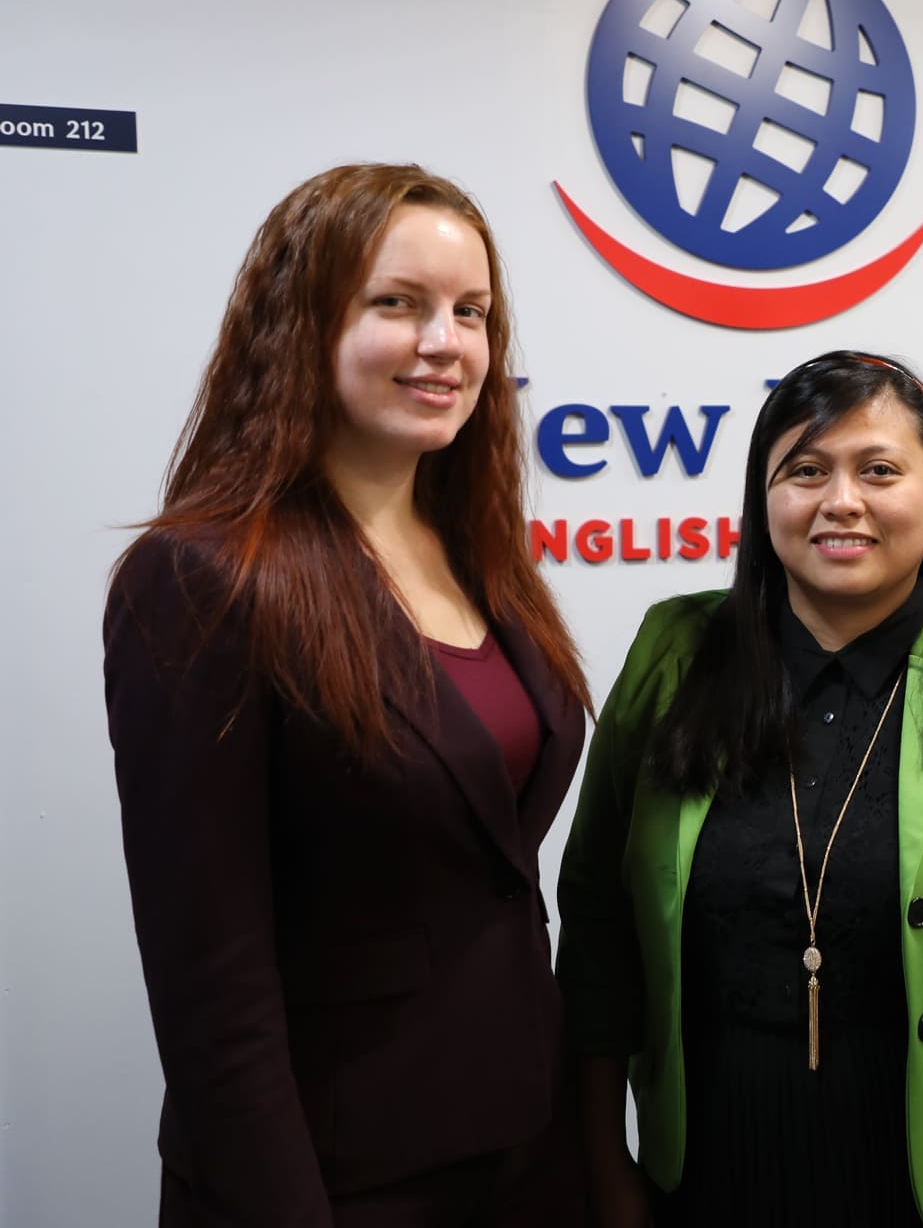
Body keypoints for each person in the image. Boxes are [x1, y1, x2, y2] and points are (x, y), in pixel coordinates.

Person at [102, 163, 591, 1226]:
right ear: (301, 319)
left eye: (471, 313)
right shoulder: (202, 577)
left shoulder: (479, 553)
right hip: (339, 1177)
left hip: (524, 1150)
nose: (445, 343)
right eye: (397, 304)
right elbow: (211, 987)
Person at [557, 351, 923, 1228]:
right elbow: (598, 928)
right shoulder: (675, 654)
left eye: (879, 470)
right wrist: (604, 1164)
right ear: (763, 501)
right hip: (706, 1174)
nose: (842, 500)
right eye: (806, 470)